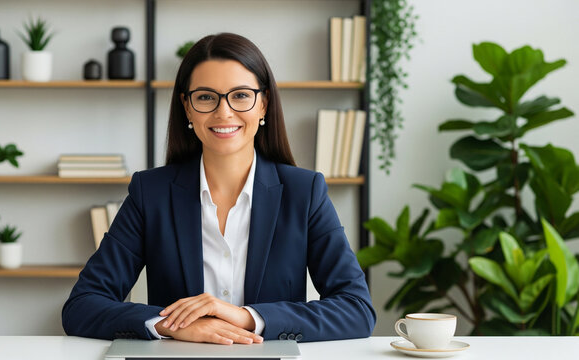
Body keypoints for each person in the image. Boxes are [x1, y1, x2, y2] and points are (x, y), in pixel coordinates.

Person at [62, 32, 376, 344]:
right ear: (187, 107)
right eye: (205, 97)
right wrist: (168, 325)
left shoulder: (304, 192)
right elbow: (82, 305)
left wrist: (248, 317)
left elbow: (357, 309)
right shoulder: (151, 193)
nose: (223, 112)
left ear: (264, 103)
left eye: (240, 95)